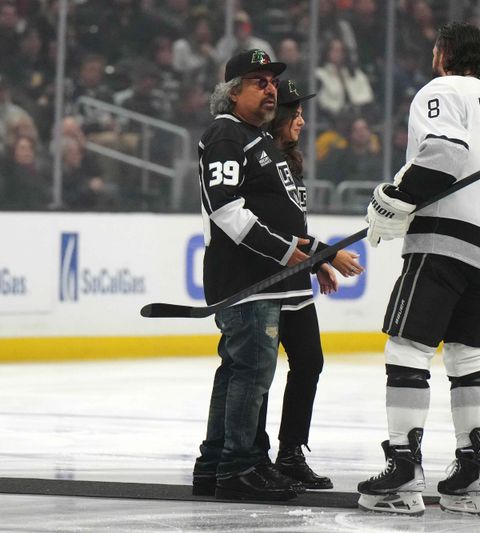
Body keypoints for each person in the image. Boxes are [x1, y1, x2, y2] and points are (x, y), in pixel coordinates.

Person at [357, 22, 480, 516]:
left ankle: (404, 470)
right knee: (468, 354)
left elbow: (445, 154)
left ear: (444, 53)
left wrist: (397, 198)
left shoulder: (441, 88)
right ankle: (474, 475)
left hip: (447, 236)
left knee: (407, 346)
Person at [190, 49, 335, 502]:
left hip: (259, 280)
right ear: (233, 92)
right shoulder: (225, 135)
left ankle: (216, 463)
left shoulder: (253, 138)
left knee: (239, 372)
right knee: (251, 372)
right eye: (259, 81)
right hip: (245, 281)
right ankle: (237, 469)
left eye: (272, 81)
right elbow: (227, 210)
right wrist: (287, 250)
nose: (270, 87)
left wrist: (299, 253)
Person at [259, 78, 364, 489]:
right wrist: (327, 254)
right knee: (260, 372)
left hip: (293, 280)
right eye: (296, 113)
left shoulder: (289, 160)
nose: (302, 121)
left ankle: (289, 454)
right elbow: (275, 226)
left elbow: (295, 226)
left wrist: (313, 264)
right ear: (279, 116)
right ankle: (255, 454)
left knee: (310, 362)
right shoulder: (265, 157)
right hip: (267, 282)